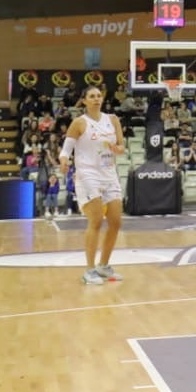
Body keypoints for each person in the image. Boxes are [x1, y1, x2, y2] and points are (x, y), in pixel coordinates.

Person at [60, 85, 127, 286]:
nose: (97, 99)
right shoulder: (79, 123)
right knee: (96, 219)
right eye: (92, 96)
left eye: (99, 96)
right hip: (88, 174)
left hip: (109, 173)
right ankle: (89, 270)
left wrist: (118, 149)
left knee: (116, 222)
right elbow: (66, 150)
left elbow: (122, 147)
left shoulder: (113, 120)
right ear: (84, 101)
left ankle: (103, 266)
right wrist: (64, 160)